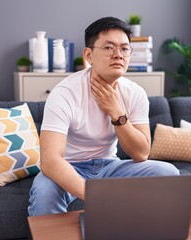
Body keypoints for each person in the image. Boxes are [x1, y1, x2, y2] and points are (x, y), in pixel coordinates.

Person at [28, 16, 179, 216]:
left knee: (169, 174)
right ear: (88, 55)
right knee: (44, 192)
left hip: (110, 166)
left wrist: (116, 112)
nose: (118, 55)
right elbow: (50, 160)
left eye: (124, 49)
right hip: (70, 166)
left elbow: (141, 154)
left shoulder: (135, 93)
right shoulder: (64, 92)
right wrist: (94, 195)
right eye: (109, 48)